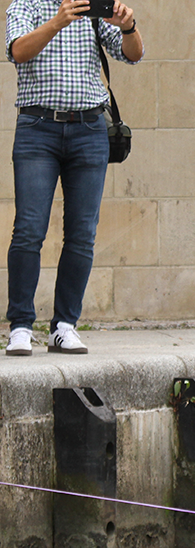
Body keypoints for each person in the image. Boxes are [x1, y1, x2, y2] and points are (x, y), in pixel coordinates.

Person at [4, 0, 143, 356]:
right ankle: (20, 326)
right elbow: (18, 51)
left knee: (82, 233)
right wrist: (57, 22)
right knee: (29, 230)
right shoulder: (27, 4)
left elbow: (133, 55)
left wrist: (128, 26)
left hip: (89, 130)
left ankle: (64, 326)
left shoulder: (94, 7)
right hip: (38, 128)